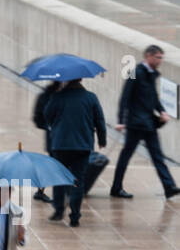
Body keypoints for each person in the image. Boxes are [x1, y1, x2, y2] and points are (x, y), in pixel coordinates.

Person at [110, 45, 178, 200]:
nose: (160, 61)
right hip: (135, 123)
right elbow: (125, 98)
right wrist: (121, 121)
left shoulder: (151, 74)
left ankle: (169, 187)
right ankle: (116, 187)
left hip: (147, 123)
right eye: (158, 57)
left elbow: (153, 97)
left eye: (161, 57)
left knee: (157, 156)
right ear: (148, 56)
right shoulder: (135, 72)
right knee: (126, 156)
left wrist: (161, 111)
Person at [43, 79, 107, 227]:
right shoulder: (91, 97)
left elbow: (47, 116)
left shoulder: (58, 97)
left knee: (59, 178)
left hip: (60, 145)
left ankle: (58, 211)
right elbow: (100, 120)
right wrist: (102, 139)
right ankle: (75, 216)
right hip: (82, 146)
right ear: (81, 80)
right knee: (78, 181)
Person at [31, 81, 62, 203]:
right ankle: (51, 193)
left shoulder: (45, 94)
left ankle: (41, 191)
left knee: (54, 165)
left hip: (54, 138)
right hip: (57, 138)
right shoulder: (51, 96)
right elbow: (38, 118)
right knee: (55, 165)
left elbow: (37, 119)